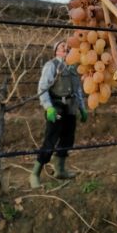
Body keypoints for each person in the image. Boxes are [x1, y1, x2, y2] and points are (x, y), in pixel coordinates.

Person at [30, 40, 88, 188]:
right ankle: (35, 173)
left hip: (70, 107)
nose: (67, 49)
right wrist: (48, 107)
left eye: (68, 47)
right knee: (51, 139)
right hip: (57, 108)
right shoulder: (52, 66)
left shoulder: (73, 69)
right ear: (56, 51)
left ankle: (60, 170)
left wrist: (82, 107)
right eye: (63, 47)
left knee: (68, 139)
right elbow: (42, 88)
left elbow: (78, 90)